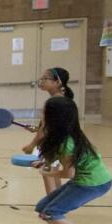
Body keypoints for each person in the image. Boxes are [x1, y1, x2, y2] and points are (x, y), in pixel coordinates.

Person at [32, 96, 111, 224]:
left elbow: (68, 173)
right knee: (42, 208)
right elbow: (60, 162)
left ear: (54, 116)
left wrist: (49, 173)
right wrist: (44, 163)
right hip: (85, 179)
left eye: (45, 111)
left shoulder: (67, 141)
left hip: (92, 183)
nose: (42, 113)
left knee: (52, 212)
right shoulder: (60, 135)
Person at [22, 68, 75, 196]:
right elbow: (56, 124)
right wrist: (36, 128)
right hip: (63, 141)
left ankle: (50, 207)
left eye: (46, 78)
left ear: (57, 82)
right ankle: (57, 203)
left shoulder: (52, 102)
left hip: (54, 144)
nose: (42, 81)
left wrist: (32, 145)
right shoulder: (63, 99)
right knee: (54, 173)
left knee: (48, 174)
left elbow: (46, 128)